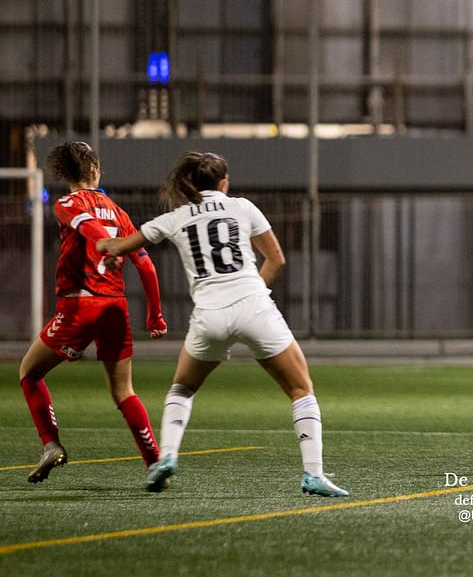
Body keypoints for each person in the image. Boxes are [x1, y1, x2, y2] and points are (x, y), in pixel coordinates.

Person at [96, 151, 348, 498]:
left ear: (187, 185)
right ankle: (313, 475)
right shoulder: (241, 206)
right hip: (254, 306)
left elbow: (120, 246)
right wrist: (254, 295)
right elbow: (276, 259)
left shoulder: (174, 217)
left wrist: (103, 243)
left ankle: (167, 457)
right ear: (224, 183)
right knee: (301, 389)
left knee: (182, 389)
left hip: (209, 316)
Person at [20, 140, 167, 484]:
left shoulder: (66, 203)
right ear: (95, 169)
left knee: (29, 373)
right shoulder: (117, 210)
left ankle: (51, 443)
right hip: (115, 307)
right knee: (124, 392)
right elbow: (146, 266)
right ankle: (156, 464)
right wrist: (155, 315)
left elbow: (89, 228)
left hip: (80, 305)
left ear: (65, 174)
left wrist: (104, 243)